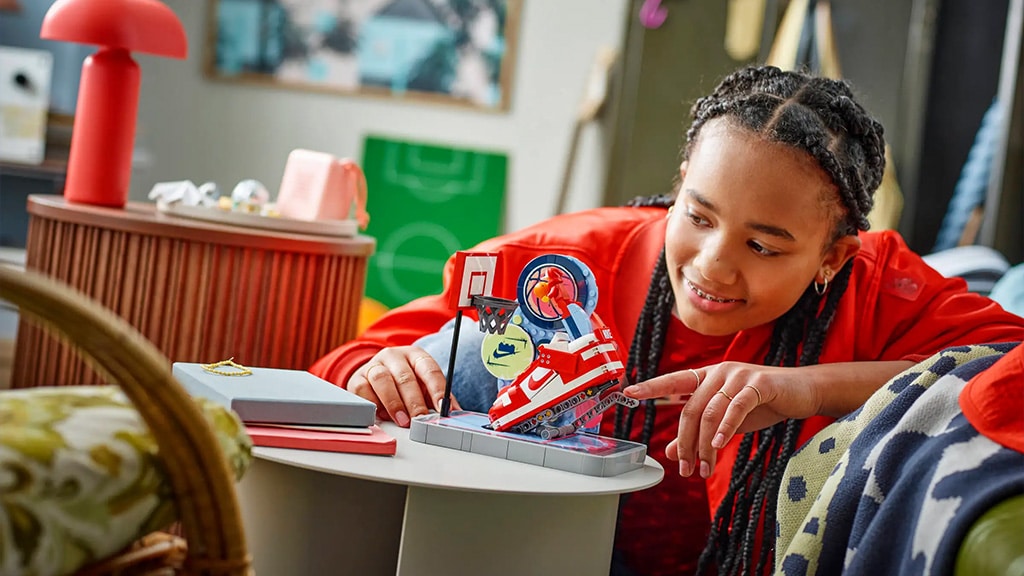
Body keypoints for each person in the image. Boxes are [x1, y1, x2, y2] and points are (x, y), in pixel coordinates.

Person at [311, 65, 1024, 575]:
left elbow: (1009, 370)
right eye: (698, 217)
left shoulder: (881, 286)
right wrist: (380, 370)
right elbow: (342, 367)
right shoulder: (559, 269)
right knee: (474, 353)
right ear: (680, 185)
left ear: (833, 256)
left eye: (763, 246)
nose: (714, 266)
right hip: (542, 555)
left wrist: (809, 389)